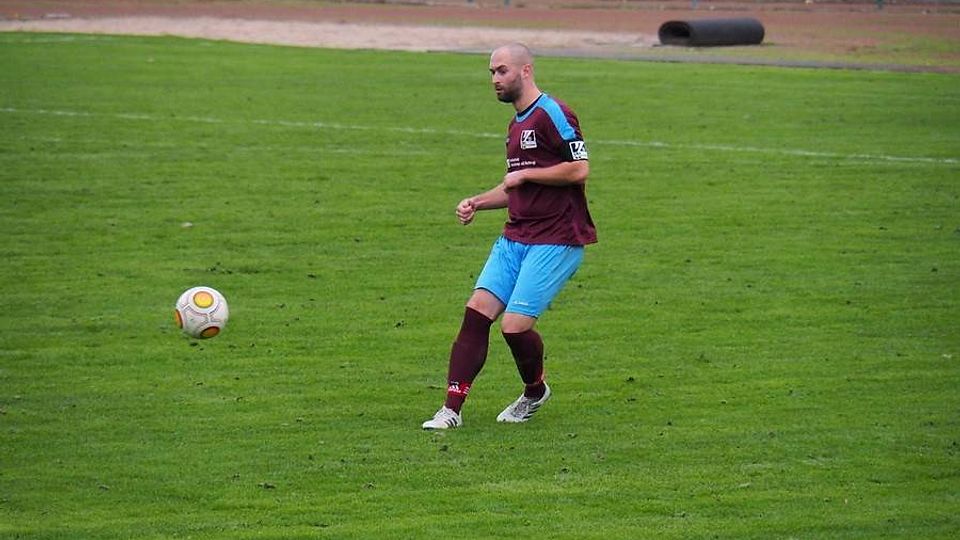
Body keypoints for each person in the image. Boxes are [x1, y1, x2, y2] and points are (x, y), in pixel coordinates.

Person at [421, 43, 597, 430]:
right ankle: (451, 410)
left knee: (513, 327)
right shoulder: (516, 125)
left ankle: (535, 391)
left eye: (501, 71)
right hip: (516, 236)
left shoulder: (554, 113)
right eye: (491, 73)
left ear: (526, 70)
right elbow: (514, 186)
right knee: (476, 313)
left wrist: (527, 174)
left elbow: (579, 169)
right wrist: (478, 202)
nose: (495, 80)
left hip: (556, 238)